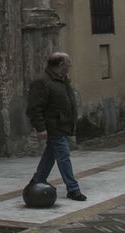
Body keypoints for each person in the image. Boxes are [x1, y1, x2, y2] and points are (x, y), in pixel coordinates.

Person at [27, 51, 86, 202]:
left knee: (51, 154)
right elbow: (35, 108)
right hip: (54, 126)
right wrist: (40, 128)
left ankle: (38, 179)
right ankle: (73, 189)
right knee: (63, 156)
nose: (70, 66)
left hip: (62, 124)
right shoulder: (42, 82)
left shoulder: (62, 80)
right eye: (68, 63)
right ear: (61, 65)